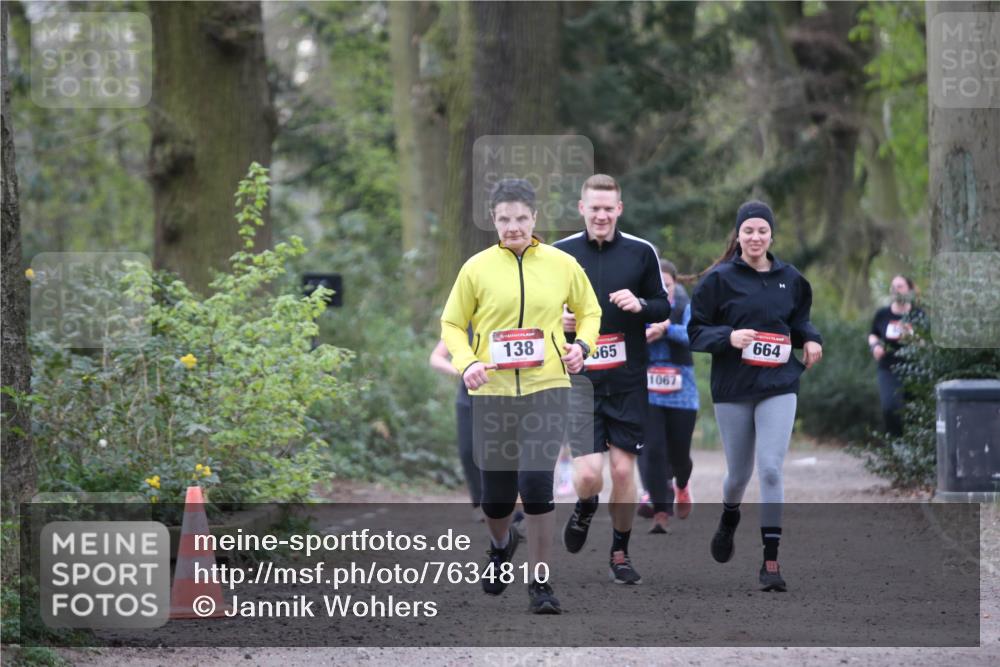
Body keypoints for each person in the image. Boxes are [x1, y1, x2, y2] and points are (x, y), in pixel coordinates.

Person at [441, 178, 601, 614]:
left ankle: (541, 583)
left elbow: (590, 312)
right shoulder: (475, 268)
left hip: (545, 388)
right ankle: (500, 543)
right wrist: (468, 362)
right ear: (493, 220)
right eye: (505, 219)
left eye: (522, 218)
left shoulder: (562, 264)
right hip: (491, 392)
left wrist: (581, 347)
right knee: (495, 498)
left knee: (535, 483)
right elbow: (452, 325)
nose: (514, 226)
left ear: (535, 219)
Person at [688, 200, 823, 592]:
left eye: (762, 230)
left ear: (771, 236)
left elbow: (799, 322)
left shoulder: (790, 278)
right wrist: (727, 337)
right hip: (733, 388)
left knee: (770, 469)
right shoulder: (719, 280)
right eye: (748, 230)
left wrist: (811, 340)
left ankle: (770, 560)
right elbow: (695, 331)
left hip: (778, 383)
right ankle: (730, 515)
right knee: (738, 476)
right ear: (738, 236)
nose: (755, 237)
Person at [554, 174, 670, 585]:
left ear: (619, 209)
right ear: (581, 208)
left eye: (609, 208)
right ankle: (585, 507)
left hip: (627, 380)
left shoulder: (641, 252)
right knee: (588, 476)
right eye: (594, 207)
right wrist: (559, 319)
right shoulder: (559, 254)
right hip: (581, 381)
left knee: (622, 472)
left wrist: (640, 304)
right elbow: (536, 311)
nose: (601, 215)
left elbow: (662, 305)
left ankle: (619, 552)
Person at [637, 258, 698, 534]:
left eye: (668, 285)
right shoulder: (640, 307)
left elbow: (695, 336)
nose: (663, 290)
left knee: (679, 455)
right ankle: (661, 512)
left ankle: (682, 485)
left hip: (681, 392)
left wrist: (665, 329)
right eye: (657, 285)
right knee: (653, 450)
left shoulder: (685, 306)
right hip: (648, 390)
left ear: (676, 284)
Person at [429, 339, 483, 521]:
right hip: (468, 397)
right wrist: (460, 370)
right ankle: (480, 504)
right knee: (468, 451)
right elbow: (436, 357)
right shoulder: (462, 320)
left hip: (502, 397)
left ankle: (516, 511)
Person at [868, 275, 924, 437]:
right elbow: (873, 334)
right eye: (893, 286)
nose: (895, 290)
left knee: (914, 411)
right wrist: (875, 346)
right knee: (890, 407)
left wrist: (916, 340)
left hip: (914, 369)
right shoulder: (883, 314)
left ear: (909, 290)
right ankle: (896, 446)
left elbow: (927, 342)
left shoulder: (918, 315)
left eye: (900, 286)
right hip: (888, 368)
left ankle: (914, 448)